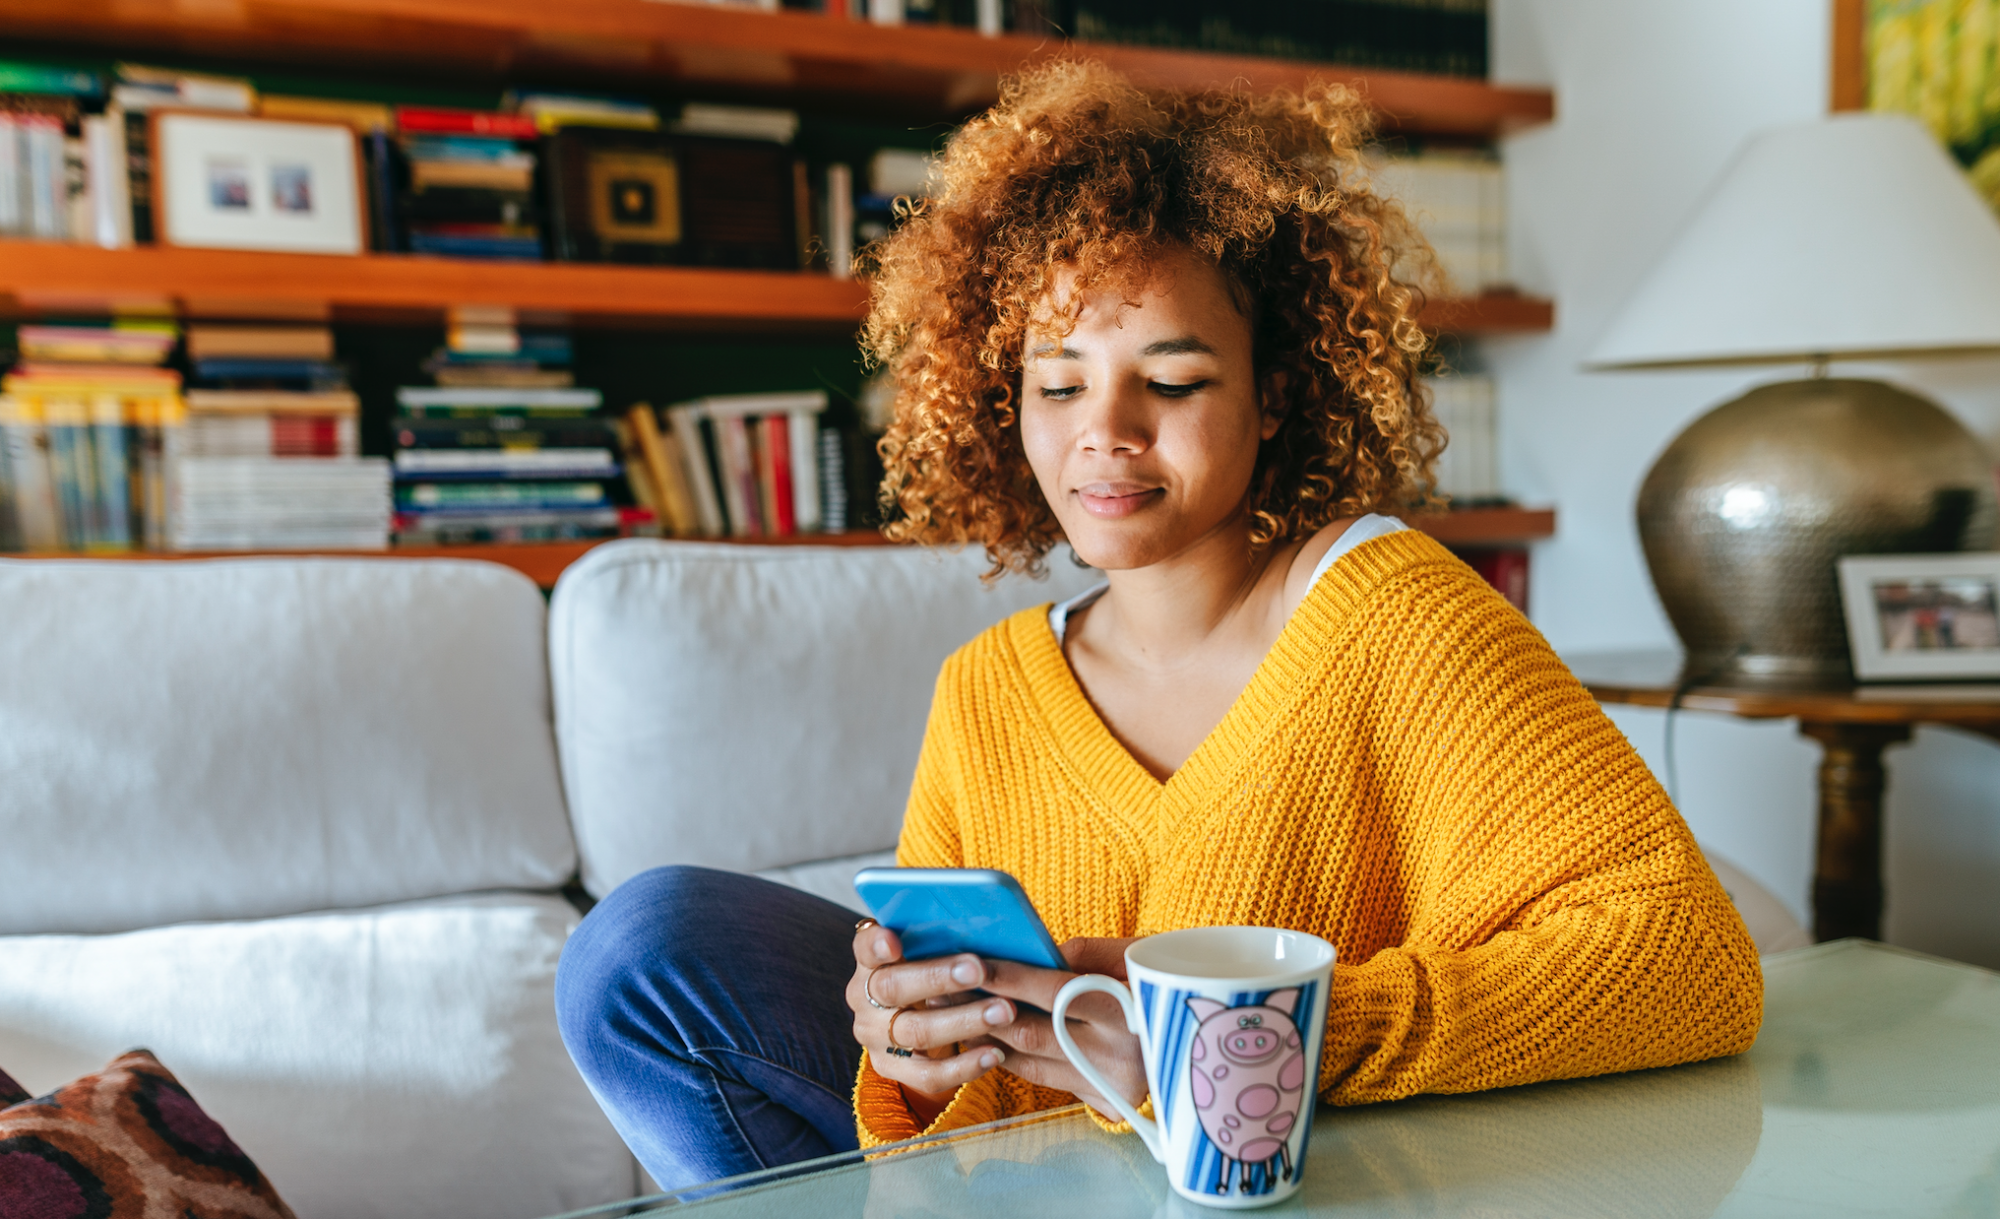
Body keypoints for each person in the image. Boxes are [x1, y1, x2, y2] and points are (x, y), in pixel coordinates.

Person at [554, 61, 1764, 1192]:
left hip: (1300, 1181)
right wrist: (903, 1047)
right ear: (1000, 403)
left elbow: (1691, 965)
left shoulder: (1401, 618)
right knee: (645, 951)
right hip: (1033, 1189)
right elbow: (928, 1103)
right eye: (1057, 381)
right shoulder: (987, 689)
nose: (1105, 430)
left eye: (1172, 381)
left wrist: (1232, 1046)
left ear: (1275, 389)